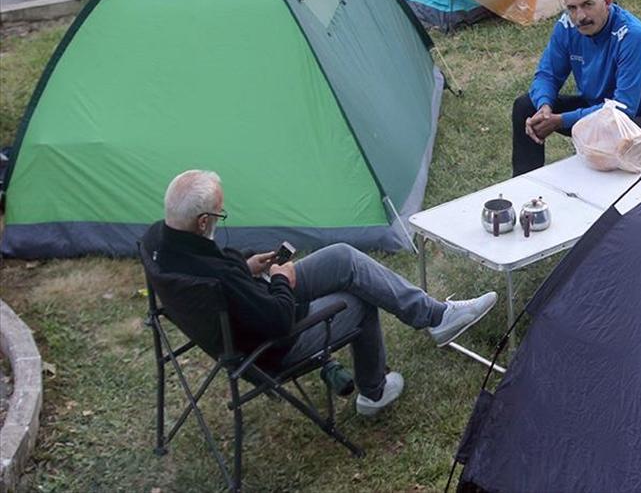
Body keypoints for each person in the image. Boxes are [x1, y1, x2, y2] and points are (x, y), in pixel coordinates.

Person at [142, 170, 497, 417]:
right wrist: (280, 278)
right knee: (359, 299)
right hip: (271, 346)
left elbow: (221, 270)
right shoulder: (218, 278)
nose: (222, 217)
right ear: (202, 222)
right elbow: (278, 322)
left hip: (247, 309)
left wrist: (247, 267)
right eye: (220, 213)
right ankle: (374, 392)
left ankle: (435, 316)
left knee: (344, 258)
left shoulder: (158, 241)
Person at [512, 0, 641, 176]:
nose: (580, 16)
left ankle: (605, 200)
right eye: (572, 8)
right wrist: (544, 107)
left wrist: (561, 120)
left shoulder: (632, 36)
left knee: (608, 136)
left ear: (607, 1)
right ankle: (523, 184)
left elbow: (622, 110)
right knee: (526, 106)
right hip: (599, 107)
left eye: (588, 5)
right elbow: (547, 74)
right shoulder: (567, 27)